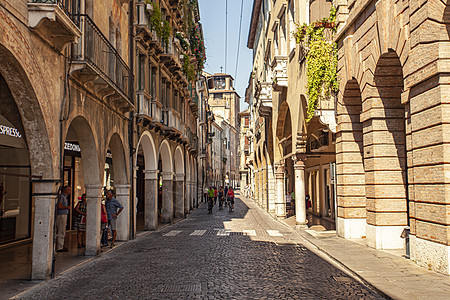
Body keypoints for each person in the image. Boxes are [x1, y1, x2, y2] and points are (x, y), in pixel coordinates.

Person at [56, 185, 71, 252]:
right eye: (69, 190)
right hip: (61, 214)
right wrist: (67, 207)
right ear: (66, 190)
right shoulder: (62, 196)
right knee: (61, 230)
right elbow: (59, 206)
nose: (70, 191)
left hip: (63, 214)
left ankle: (60, 245)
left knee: (62, 230)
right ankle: (60, 247)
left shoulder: (65, 197)